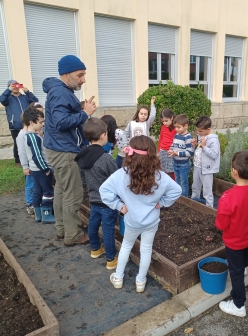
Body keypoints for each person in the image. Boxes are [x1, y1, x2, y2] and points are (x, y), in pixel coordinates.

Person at [100, 136, 181, 292]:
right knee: (146, 249)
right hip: (151, 221)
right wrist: (162, 202)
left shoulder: (122, 174)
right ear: (152, 154)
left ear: (131, 154)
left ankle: (118, 278)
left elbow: (104, 190)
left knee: (126, 246)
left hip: (131, 221)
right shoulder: (160, 176)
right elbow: (177, 190)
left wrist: (118, 205)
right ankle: (141, 282)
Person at [42, 54, 96, 247]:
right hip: (64, 150)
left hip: (57, 147)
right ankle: (72, 235)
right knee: (72, 193)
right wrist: (85, 114)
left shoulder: (59, 91)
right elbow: (61, 122)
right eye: (80, 75)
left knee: (61, 190)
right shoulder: (61, 93)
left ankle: (62, 229)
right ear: (66, 74)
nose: (83, 79)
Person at [216, 150, 248, 317]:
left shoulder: (228, 197)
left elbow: (221, 224)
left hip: (234, 241)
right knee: (245, 257)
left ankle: (238, 304)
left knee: (235, 273)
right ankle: (244, 268)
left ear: (234, 171)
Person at [74, 118, 119, 268]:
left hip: (94, 199)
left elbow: (83, 178)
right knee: (107, 230)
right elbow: (117, 179)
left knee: (92, 225)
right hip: (108, 202)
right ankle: (111, 259)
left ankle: (95, 249)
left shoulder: (82, 156)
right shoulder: (106, 158)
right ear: (103, 135)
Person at [22, 107, 55, 224]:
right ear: (31, 122)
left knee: (38, 190)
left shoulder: (28, 136)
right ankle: (47, 215)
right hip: (41, 169)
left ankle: (38, 215)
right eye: (40, 122)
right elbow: (37, 155)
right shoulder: (33, 137)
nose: (42, 125)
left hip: (35, 170)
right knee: (48, 191)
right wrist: (45, 168)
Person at [0, 80, 38, 167]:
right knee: (18, 143)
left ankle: (31, 158)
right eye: (13, 86)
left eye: (17, 85)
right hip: (15, 124)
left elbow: (35, 102)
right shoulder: (8, 98)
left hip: (27, 123)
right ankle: (18, 161)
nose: (15, 87)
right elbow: (1, 99)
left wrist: (27, 92)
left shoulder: (24, 97)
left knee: (29, 140)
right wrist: (8, 90)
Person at [190, 116, 220, 208]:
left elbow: (214, 154)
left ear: (208, 129)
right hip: (197, 166)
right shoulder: (200, 135)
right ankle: (194, 203)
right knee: (195, 186)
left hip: (207, 169)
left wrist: (204, 146)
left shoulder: (213, 140)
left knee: (207, 190)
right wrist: (194, 145)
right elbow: (198, 149)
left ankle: (209, 208)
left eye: (200, 131)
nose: (198, 133)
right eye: (197, 131)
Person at [168, 114, 193, 197]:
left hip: (184, 165)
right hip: (176, 163)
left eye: (178, 127)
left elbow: (190, 152)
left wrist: (177, 153)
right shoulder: (177, 135)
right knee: (177, 180)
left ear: (185, 126)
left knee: (184, 183)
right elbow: (173, 144)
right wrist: (171, 150)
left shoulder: (188, 137)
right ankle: (178, 196)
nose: (176, 129)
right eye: (175, 127)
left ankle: (184, 198)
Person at [157, 108, 177, 180]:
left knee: (172, 170)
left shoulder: (176, 129)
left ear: (172, 118)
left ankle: (175, 184)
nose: (164, 123)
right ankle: (165, 184)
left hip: (171, 151)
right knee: (163, 170)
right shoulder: (163, 127)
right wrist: (159, 151)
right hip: (163, 151)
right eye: (163, 121)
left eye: (166, 121)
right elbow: (161, 139)